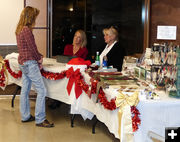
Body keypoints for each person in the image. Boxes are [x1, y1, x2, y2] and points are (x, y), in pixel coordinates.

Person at [15, 6, 54, 127]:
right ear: (31, 17)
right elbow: (32, 48)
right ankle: (40, 119)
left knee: (25, 90)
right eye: (35, 17)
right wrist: (40, 58)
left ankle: (25, 116)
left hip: (22, 63)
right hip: (30, 63)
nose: (35, 20)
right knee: (42, 90)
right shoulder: (26, 29)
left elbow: (26, 48)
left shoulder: (19, 29)